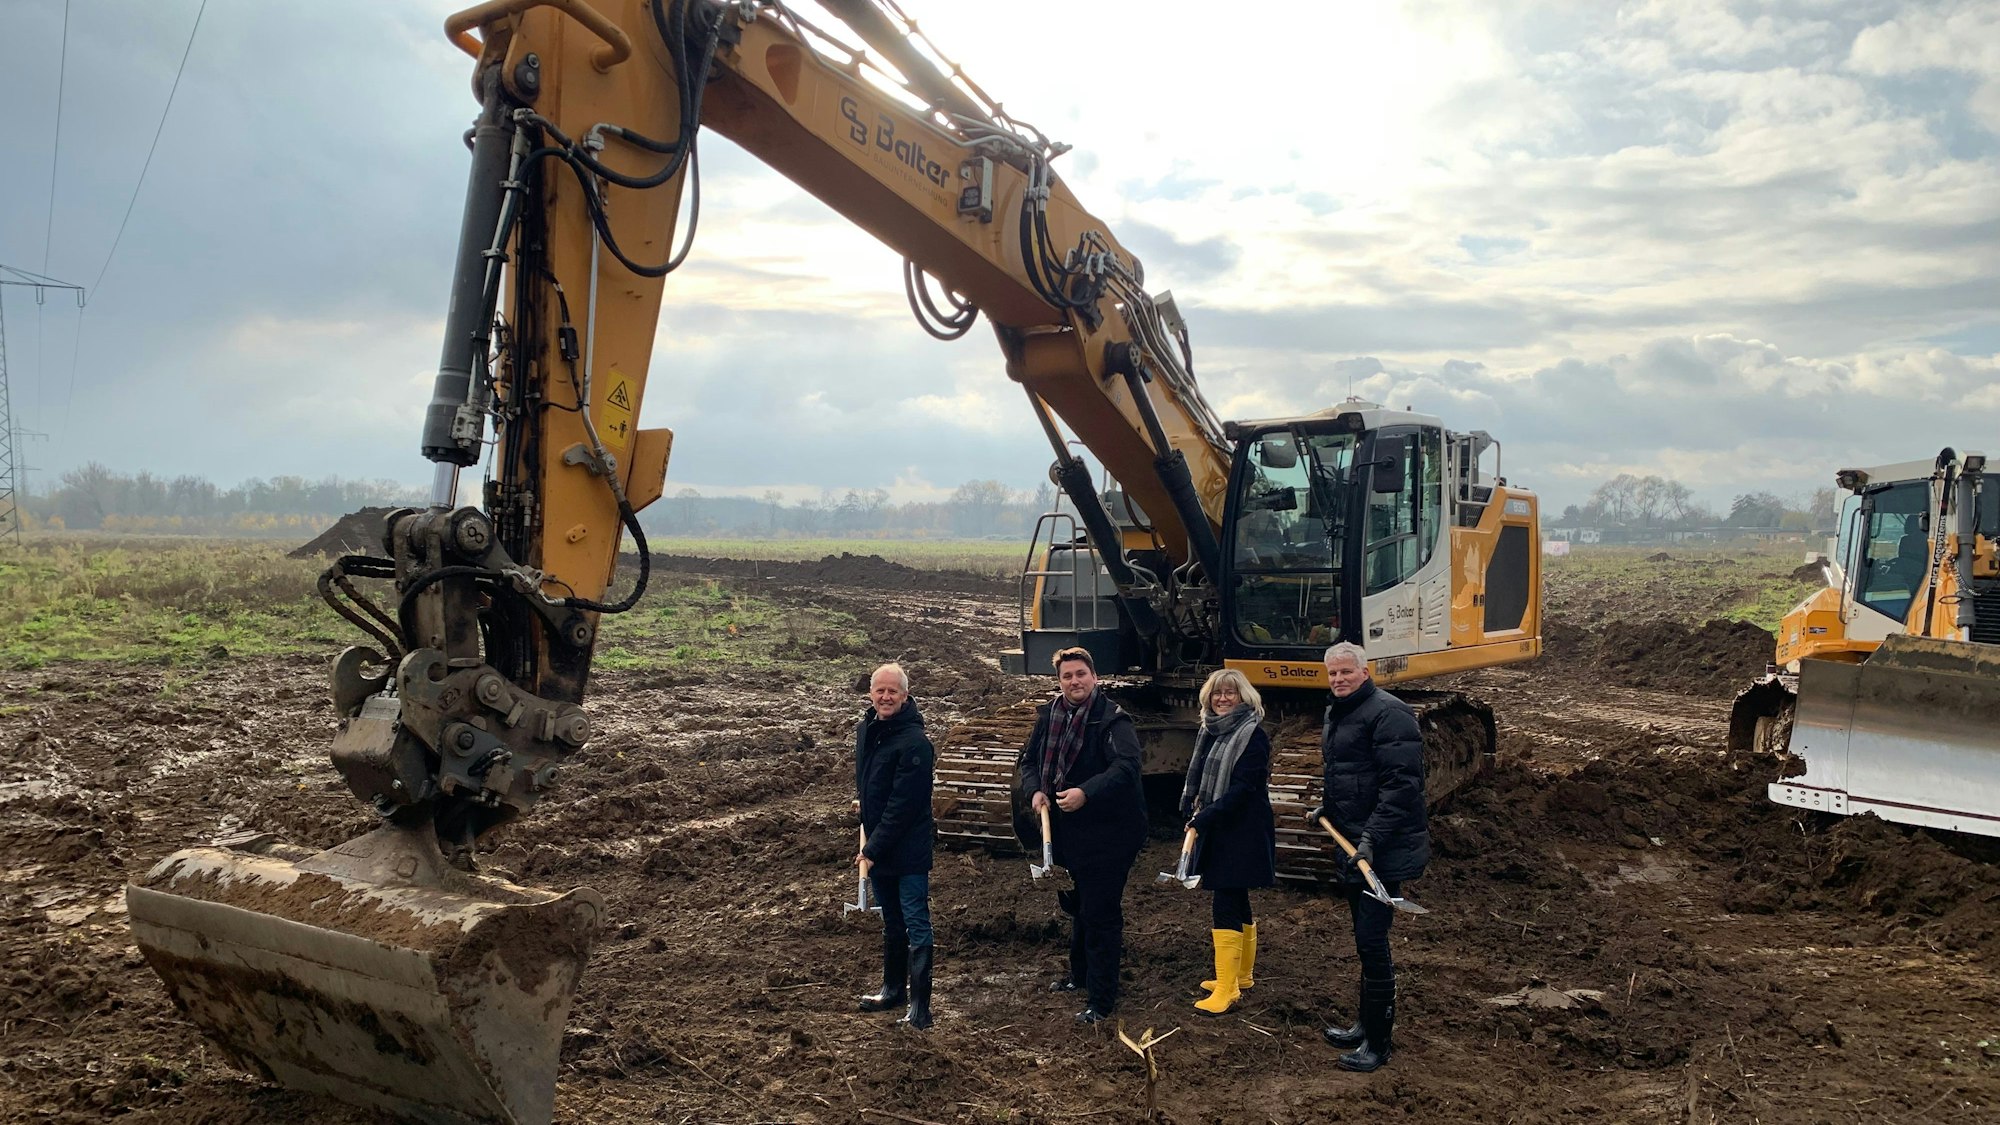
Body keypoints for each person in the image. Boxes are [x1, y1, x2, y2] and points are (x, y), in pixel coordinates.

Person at [1308, 641, 1428, 1071]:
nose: (1338, 679)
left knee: (1372, 942)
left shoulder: (1389, 713)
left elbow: (1401, 787)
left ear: (1364, 671)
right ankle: (1364, 1024)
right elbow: (1344, 774)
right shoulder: (1337, 711)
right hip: (1354, 844)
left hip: (1382, 849)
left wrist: (1372, 838)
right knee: (1364, 938)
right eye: (1333, 673)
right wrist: (1330, 809)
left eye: (1346, 672)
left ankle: (1378, 1044)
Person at [1018, 646, 1147, 1024]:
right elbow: (1029, 761)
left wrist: (1086, 791)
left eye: (1081, 674)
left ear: (1094, 677)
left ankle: (1102, 1000)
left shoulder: (1112, 721)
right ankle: (1080, 977)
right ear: (1059, 682)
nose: (1075, 681)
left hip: (1111, 832)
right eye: (1067, 676)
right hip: (1067, 831)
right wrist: (1035, 790)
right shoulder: (1050, 717)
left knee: (1100, 911)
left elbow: (1128, 766)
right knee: (1077, 905)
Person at [1178, 668, 1276, 1015]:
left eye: (1230, 693)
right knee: (1238, 896)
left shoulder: (1253, 735)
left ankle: (1226, 988)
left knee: (1225, 901)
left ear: (1243, 697)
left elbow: (1244, 789)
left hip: (1242, 828)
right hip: (1224, 825)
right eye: (1217, 693)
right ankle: (1241, 976)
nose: (1223, 699)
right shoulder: (1211, 731)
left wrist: (1205, 817)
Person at [854, 662, 937, 1030]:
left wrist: (871, 849)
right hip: (881, 844)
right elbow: (871, 785)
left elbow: (904, 806)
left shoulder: (915, 743)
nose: (885, 697)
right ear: (871, 694)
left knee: (915, 924)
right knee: (892, 923)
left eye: (893, 691)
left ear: (905, 695)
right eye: (880, 690)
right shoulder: (867, 731)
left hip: (908, 850)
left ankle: (920, 1008)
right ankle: (892, 990)